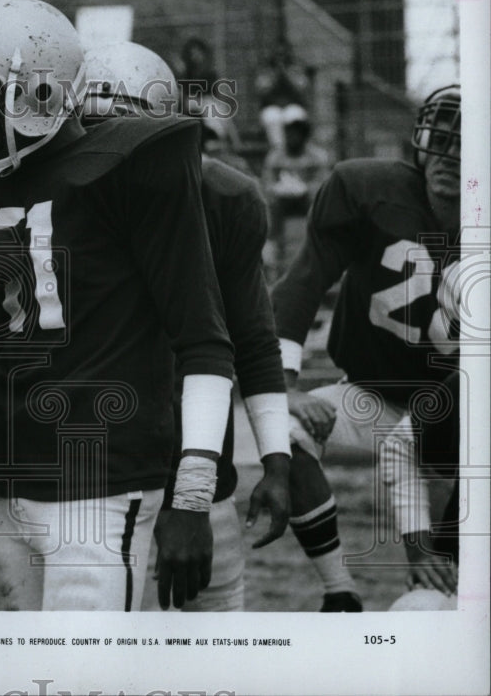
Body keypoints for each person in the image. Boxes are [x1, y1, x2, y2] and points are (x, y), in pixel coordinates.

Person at [0, 0, 235, 611]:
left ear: (37, 90)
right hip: (14, 486)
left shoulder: (132, 165)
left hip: (104, 483)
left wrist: (193, 498)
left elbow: (204, 343)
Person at [79, 41, 292, 613]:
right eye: (97, 129)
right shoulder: (62, 196)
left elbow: (250, 338)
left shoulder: (223, 198)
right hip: (92, 482)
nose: (113, 148)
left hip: (196, 472)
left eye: (127, 130)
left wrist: (275, 459)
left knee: (210, 647)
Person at [271, 84, 462, 610]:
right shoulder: (367, 189)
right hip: (370, 399)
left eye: (466, 145)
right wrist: (284, 385)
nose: (450, 156)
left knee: (439, 598)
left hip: (455, 428)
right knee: (280, 433)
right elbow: (303, 282)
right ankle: (340, 591)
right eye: (442, 141)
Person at [262, 104, 331, 276]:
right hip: (280, 204)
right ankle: (272, 258)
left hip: (307, 202)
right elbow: (267, 184)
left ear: (304, 133)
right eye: (289, 131)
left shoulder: (317, 156)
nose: (292, 136)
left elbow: (324, 185)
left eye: (296, 131)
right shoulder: (275, 156)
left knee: (323, 208)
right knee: (268, 209)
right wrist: (280, 189)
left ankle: (318, 258)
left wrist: (304, 189)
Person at [255, 39, 312, 151]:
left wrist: (285, 74)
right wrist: (276, 75)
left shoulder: (297, 68)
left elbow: (301, 90)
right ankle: (279, 152)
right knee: (272, 117)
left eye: (283, 54)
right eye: (278, 54)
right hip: (271, 108)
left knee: (294, 116)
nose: (280, 57)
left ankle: (296, 149)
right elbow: (262, 91)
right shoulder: (265, 69)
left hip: (293, 107)